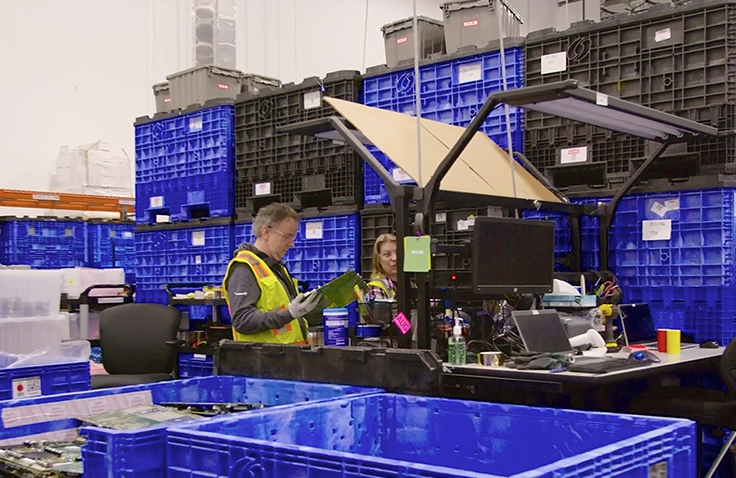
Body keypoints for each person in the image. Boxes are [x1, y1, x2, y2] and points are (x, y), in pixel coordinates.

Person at [222, 203, 322, 344]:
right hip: (263, 361)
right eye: (287, 236)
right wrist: (289, 313)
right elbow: (242, 320)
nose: (291, 243)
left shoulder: (275, 267)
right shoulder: (244, 268)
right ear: (266, 232)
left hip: (285, 359)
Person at [367, 233, 397, 300]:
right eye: (387, 254)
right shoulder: (376, 288)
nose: (395, 258)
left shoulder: (411, 285)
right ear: (379, 259)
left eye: (398, 253)